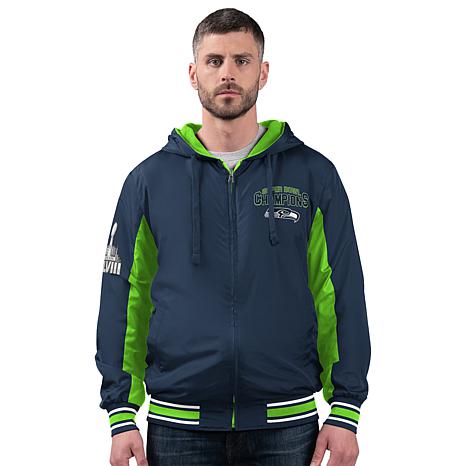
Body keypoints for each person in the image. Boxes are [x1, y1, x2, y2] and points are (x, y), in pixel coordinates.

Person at [95, 7, 371, 466]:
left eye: (242, 61)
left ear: (263, 72)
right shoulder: (149, 181)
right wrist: (121, 411)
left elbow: (338, 289)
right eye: (214, 60)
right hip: (179, 426)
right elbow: (126, 294)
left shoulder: (313, 175)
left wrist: (345, 407)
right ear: (193, 73)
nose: (228, 73)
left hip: (286, 426)